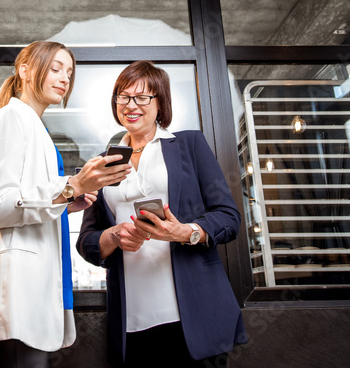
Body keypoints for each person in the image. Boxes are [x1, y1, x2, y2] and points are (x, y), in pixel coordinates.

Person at [0, 41, 132, 367]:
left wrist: (67, 202)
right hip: (14, 296)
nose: (65, 78)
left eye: (70, 72)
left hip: (27, 297)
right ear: (24, 71)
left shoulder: (33, 126)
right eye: (55, 68)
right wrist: (72, 185)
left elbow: (26, 201)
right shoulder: (12, 119)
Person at [77, 61, 246, 367]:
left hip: (193, 314)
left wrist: (184, 232)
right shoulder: (102, 163)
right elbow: (87, 242)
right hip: (132, 318)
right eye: (123, 97)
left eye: (142, 98)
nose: (131, 105)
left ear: (161, 103)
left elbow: (228, 217)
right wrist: (114, 236)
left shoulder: (188, 145)